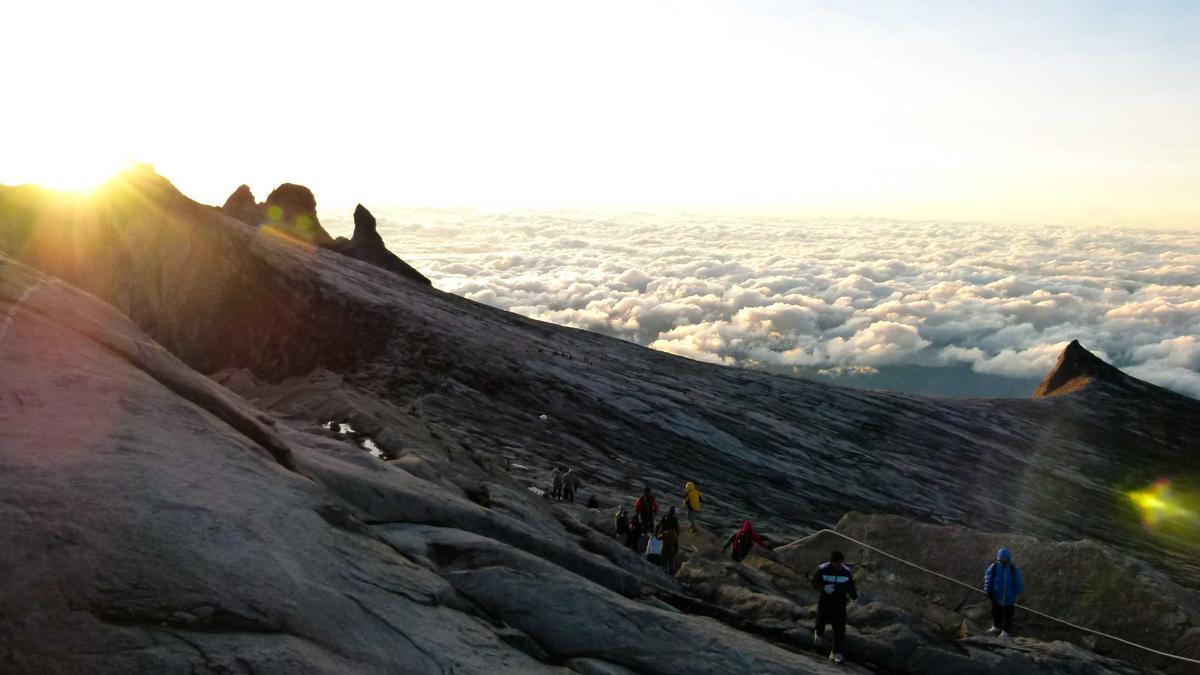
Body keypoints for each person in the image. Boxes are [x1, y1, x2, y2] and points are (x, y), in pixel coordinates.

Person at [811, 550, 857, 665]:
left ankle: (836, 652)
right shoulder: (822, 569)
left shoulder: (846, 572)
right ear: (832, 562)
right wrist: (824, 588)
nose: (840, 565)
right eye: (838, 563)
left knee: (839, 628)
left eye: (841, 563)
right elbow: (814, 582)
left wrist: (854, 597)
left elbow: (851, 587)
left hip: (840, 603)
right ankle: (818, 634)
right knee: (821, 620)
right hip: (825, 601)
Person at [983, 547, 1024, 640]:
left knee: (1008, 615)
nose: (1002, 561)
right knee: (996, 612)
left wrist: (1020, 592)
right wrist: (988, 590)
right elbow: (988, 579)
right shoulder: (994, 568)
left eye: (1004, 559)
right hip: (997, 596)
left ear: (1008, 558)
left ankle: (1006, 630)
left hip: (1009, 598)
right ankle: (996, 626)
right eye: (1000, 559)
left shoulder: (1013, 570)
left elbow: (1019, 582)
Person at [657, 507, 680, 575]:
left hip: (665, 538)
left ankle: (664, 570)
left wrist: (660, 532)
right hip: (672, 541)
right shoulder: (674, 520)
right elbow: (677, 530)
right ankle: (671, 572)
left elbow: (661, 525)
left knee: (663, 557)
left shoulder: (665, 517)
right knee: (671, 558)